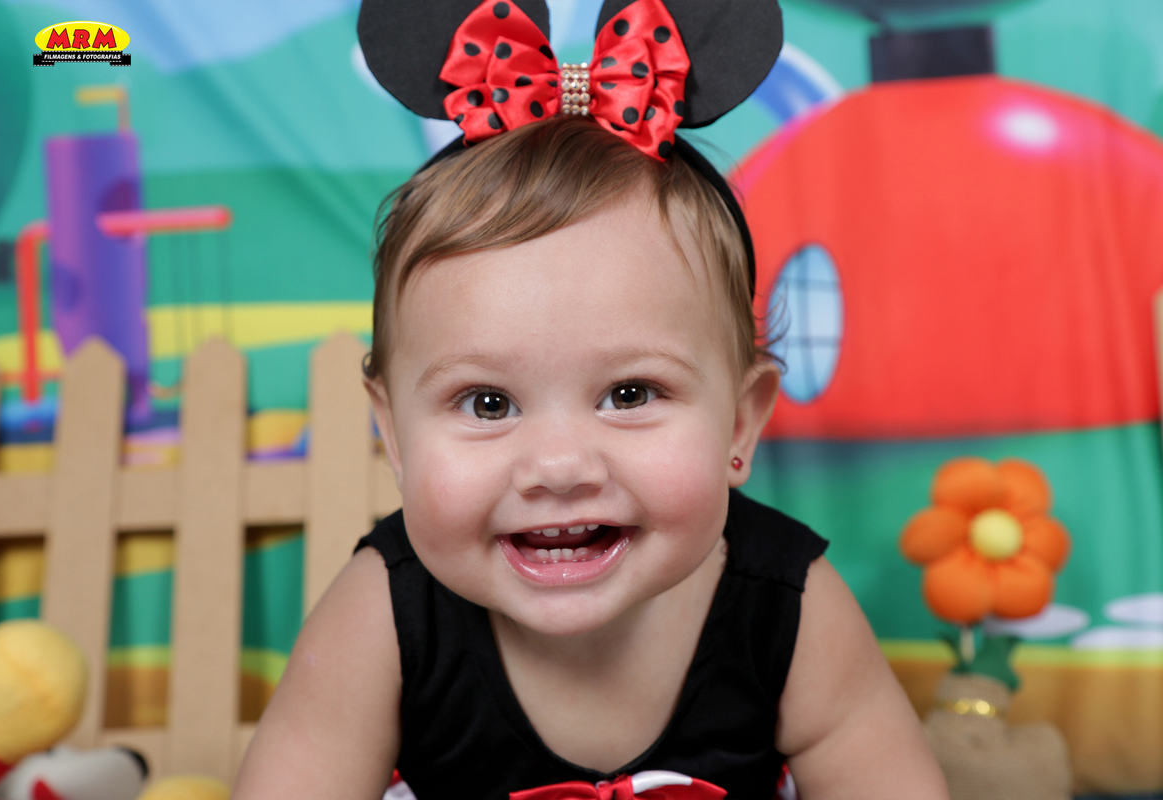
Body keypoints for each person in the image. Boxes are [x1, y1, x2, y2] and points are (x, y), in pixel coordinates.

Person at [234, 2, 949, 799]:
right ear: (395, 436)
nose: (559, 465)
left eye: (629, 393)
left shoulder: (789, 606)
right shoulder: (383, 615)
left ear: (741, 423)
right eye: (488, 404)